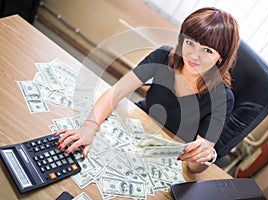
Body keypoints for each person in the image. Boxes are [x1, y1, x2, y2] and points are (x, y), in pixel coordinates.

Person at [55, 7, 240, 173]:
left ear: (220, 59)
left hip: (170, 151)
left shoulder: (223, 98)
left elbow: (193, 168)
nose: (193, 55)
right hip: (140, 120)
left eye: (207, 50)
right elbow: (117, 91)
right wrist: (89, 126)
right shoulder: (162, 57)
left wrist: (204, 157)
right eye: (190, 42)